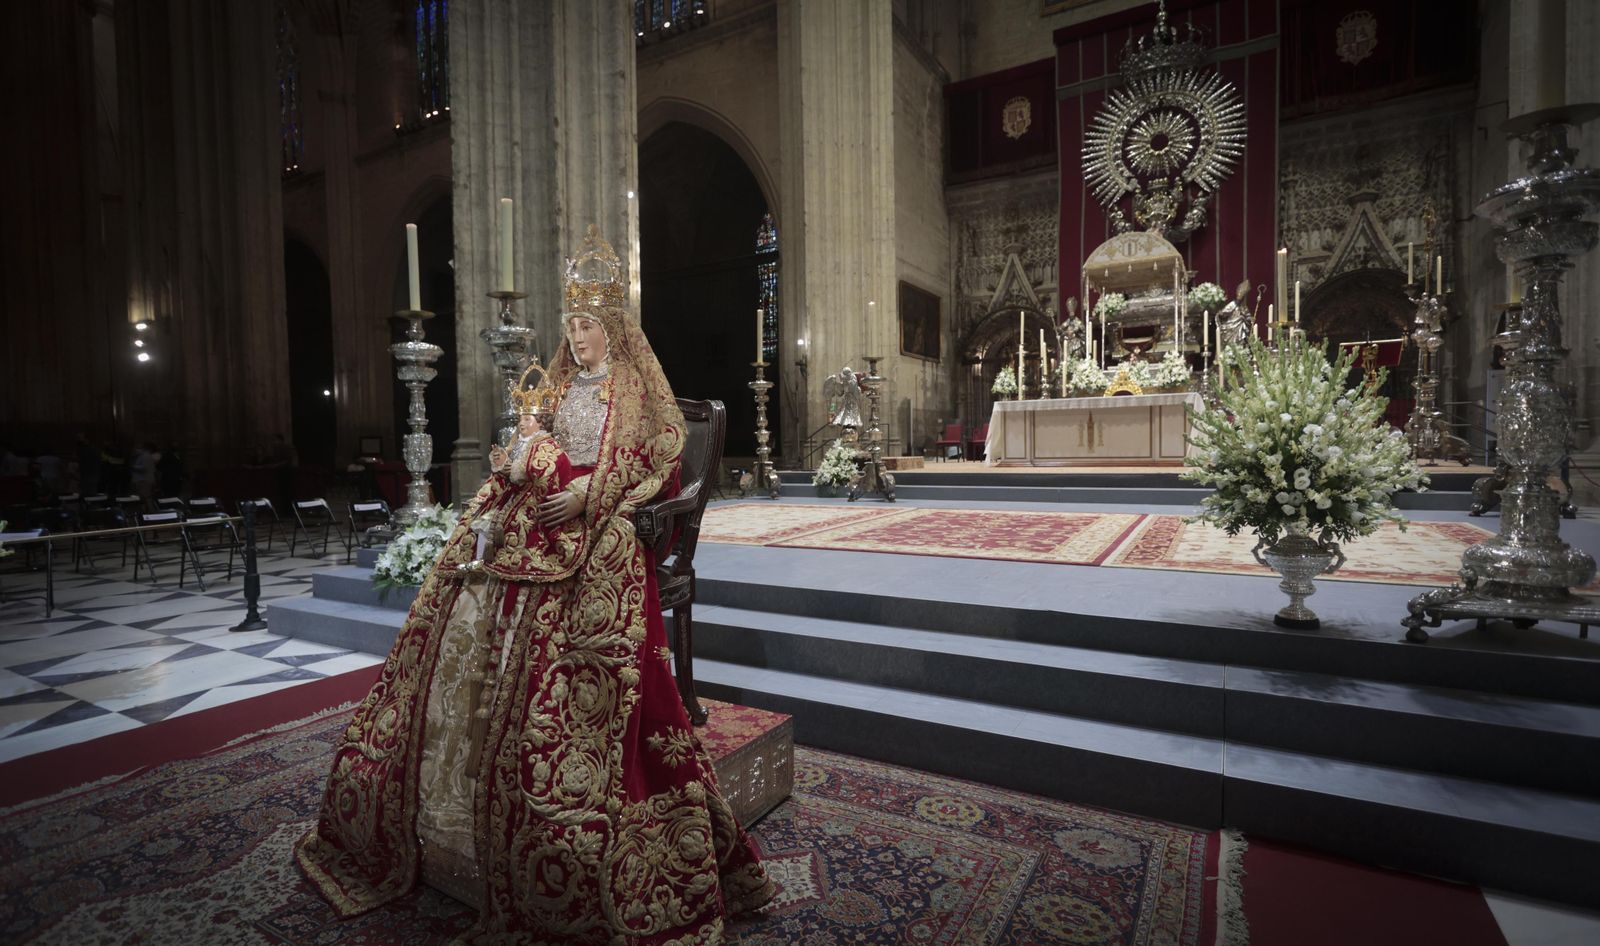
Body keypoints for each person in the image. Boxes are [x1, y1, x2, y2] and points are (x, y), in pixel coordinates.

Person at [295, 227, 773, 943]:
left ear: (612, 327)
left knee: (598, 563)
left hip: (603, 521)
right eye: (572, 326)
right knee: (473, 565)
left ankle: (561, 759)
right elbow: (525, 438)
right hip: (539, 515)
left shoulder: (636, 390)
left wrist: (590, 497)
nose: (577, 337)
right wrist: (526, 458)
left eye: (588, 325)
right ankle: (456, 780)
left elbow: (662, 467)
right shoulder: (556, 382)